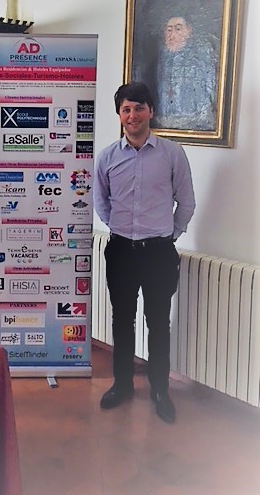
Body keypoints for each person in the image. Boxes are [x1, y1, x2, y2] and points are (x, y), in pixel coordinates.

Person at [93, 82, 195, 423]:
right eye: (126, 109)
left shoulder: (172, 154)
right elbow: (101, 201)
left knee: (158, 323)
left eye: (138, 107)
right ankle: (122, 384)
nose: (132, 115)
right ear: (120, 115)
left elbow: (186, 202)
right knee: (122, 321)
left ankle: (159, 390)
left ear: (151, 111)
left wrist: (170, 235)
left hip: (158, 253)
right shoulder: (108, 156)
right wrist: (120, 229)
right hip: (121, 251)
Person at [153, 15, 218, 130]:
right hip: (166, 121)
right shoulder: (163, 55)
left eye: (178, 29)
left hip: (195, 120)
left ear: (188, 30)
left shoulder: (201, 53)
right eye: (169, 30)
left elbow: (209, 89)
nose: (172, 34)